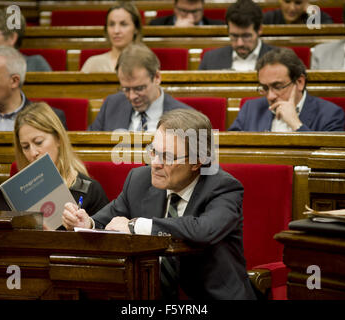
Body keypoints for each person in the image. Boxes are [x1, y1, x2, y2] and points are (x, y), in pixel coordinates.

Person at [64, 108, 256, 300]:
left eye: (168, 157)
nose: (155, 163)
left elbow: (204, 230)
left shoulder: (223, 187)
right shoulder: (140, 180)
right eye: (153, 151)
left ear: (197, 162)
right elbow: (108, 220)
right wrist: (86, 224)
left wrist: (136, 225)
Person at [14, 102, 109, 230]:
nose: (33, 153)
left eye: (38, 142)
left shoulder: (89, 190)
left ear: (58, 138)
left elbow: (104, 240)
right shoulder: (20, 191)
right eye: (25, 147)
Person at [229, 47, 345, 132]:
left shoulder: (330, 114)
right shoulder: (251, 109)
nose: (270, 96)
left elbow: (326, 160)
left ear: (300, 82)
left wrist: (296, 124)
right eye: (265, 88)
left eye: (278, 87)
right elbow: (230, 151)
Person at [88, 44, 191, 132]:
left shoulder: (186, 117)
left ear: (157, 77)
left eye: (139, 88)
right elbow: (88, 147)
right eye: (126, 89)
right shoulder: (111, 105)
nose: (132, 96)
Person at [199, 0, 276, 71]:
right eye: (234, 36)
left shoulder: (279, 59)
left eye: (246, 36)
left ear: (259, 29)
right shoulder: (210, 59)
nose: (240, 43)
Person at [81, 2, 142, 73]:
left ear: (136, 29)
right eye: (111, 24)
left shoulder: (146, 63)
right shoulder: (93, 63)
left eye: (123, 24)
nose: (116, 31)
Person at [149, 0, 224, 26]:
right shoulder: (155, 25)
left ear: (203, 7)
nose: (190, 17)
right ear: (175, 7)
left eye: (195, 11)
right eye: (184, 11)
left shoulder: (220, 26)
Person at [263, 0, 333, 25]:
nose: (292, 8)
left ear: (306, 2)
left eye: (298, 2)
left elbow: (330, 30)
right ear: (280, 1)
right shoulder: (269, 17)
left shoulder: (314, 15)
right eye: (287, 1)